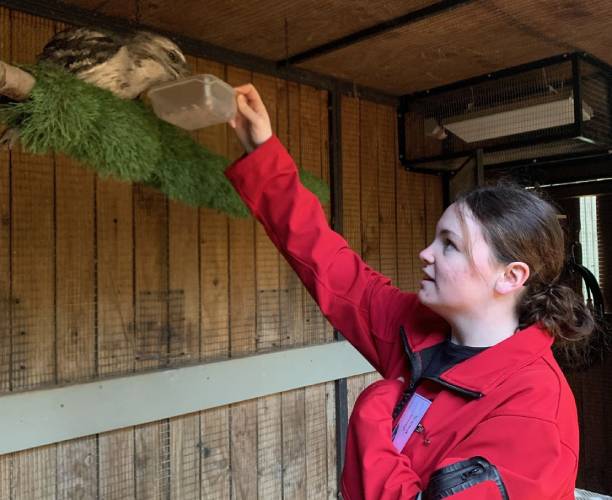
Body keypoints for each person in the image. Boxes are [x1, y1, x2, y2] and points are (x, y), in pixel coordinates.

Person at [225, 84, 594, 499]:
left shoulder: (533, 408)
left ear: (509, 277)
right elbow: (328, 263)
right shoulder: (416, 328)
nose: (425, 253)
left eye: (449, 245)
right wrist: (263, 153)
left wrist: (372, 418)